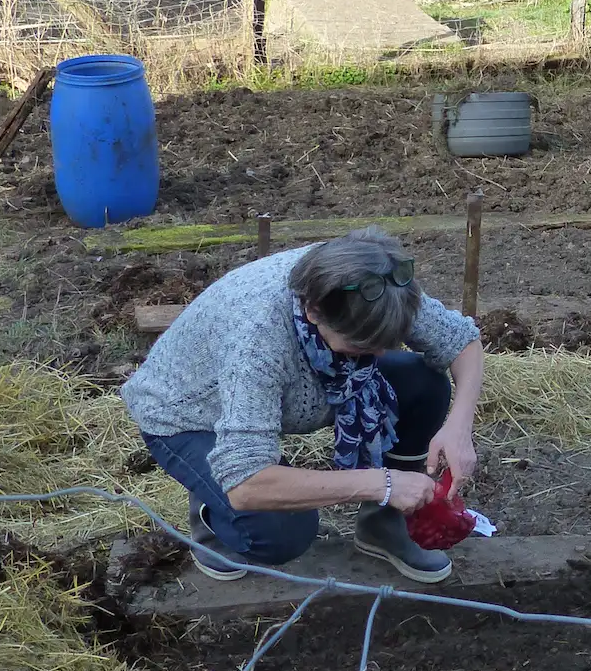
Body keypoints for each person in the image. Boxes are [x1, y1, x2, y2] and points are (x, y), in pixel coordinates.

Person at [120, 228, 484, 584]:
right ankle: (211, 512)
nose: (377, 355)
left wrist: (459, 427)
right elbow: (246, 483)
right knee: (282, 532)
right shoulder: (258, 337)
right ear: (313, 311)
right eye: (360, 345)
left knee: (422, 383)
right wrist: (382, 483)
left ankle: (384, 525)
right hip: (191, 414)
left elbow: (462, 342)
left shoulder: (379, 285)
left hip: (306, 385)